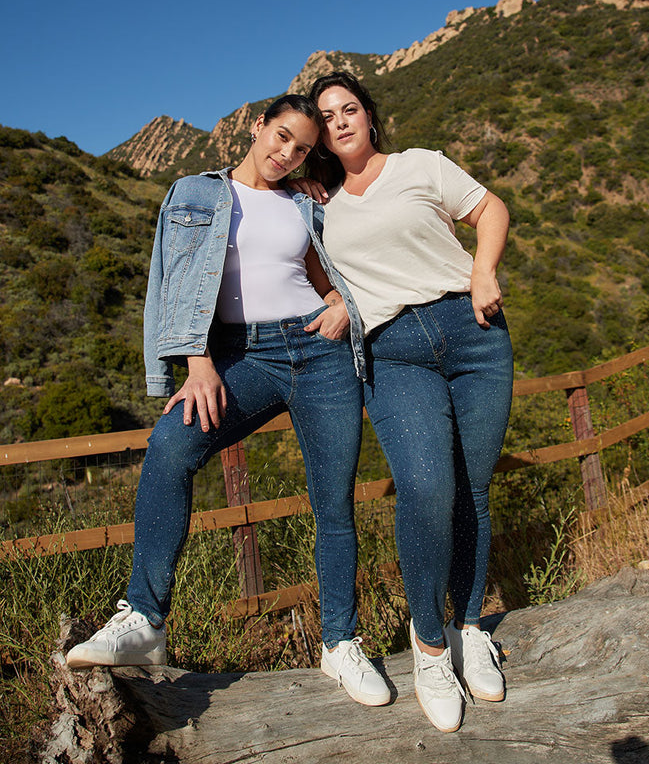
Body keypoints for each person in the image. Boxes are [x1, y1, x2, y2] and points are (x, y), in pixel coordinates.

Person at [66, 94, 390, 709]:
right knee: (171, 446)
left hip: (319, 351)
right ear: (257, 126)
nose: (286, 154)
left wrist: (341, 304)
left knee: (333, 499)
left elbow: (324, 274)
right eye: (281, 136)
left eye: (301, 149)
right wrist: (196, 364)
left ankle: (340, 642)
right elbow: (170, 282)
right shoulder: (194, 193)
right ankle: (145, 620)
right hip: (243, 356)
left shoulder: (304, 201)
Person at [301, 72, 514, 733]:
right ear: (320, 135)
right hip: (393, 351)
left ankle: (468, 627)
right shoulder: (319, 205)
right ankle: (430, 649)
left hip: (473, 332)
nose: (340, 121)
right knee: (425, 489)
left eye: (350, 108)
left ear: (369, 116)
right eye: (327, 116)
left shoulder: (420, 165)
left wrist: (483, 272)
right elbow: (309, 272)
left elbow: (491, 209)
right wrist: (338, 302)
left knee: (472, 489)